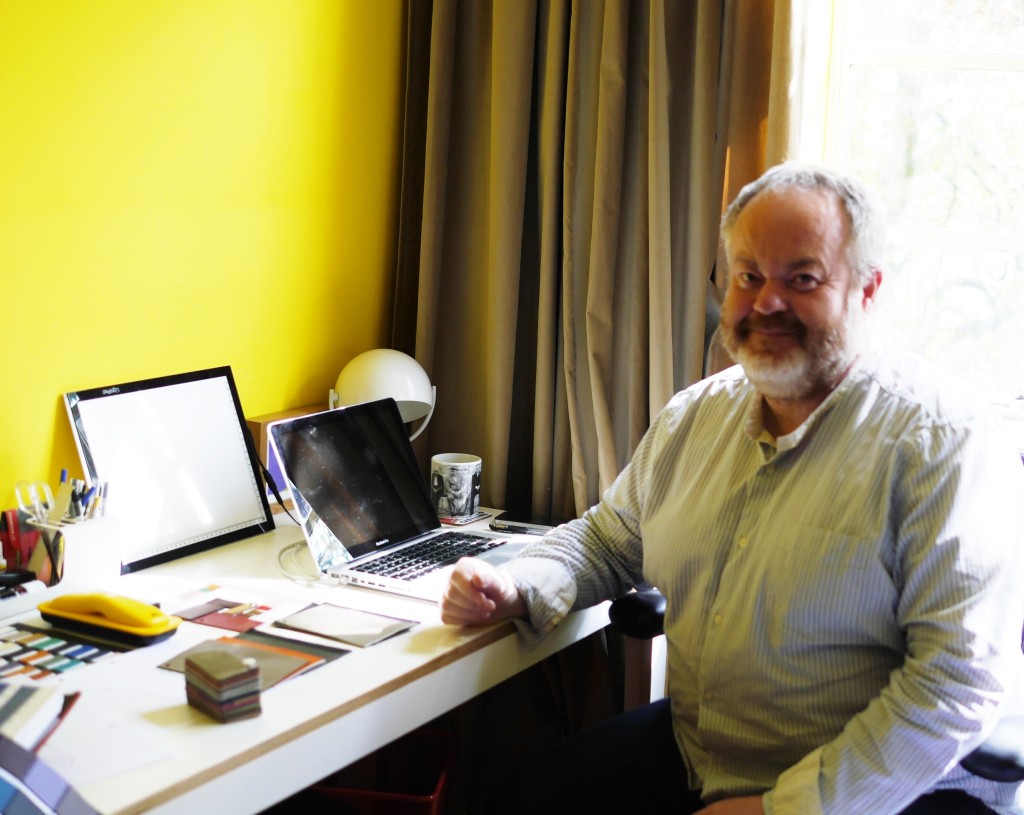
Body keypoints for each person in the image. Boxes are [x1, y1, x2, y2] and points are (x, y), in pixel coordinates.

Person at [440, 163, 1024, 815]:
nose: (766, 302)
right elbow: (610, 540)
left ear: (867, 290)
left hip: (874, 787)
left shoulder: (943, 442)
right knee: (518, 803)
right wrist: (519, 583)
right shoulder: (695, 415)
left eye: (802, 278)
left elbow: (957, 683)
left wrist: (782, 810)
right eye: (749, 275)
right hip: (703, 750)